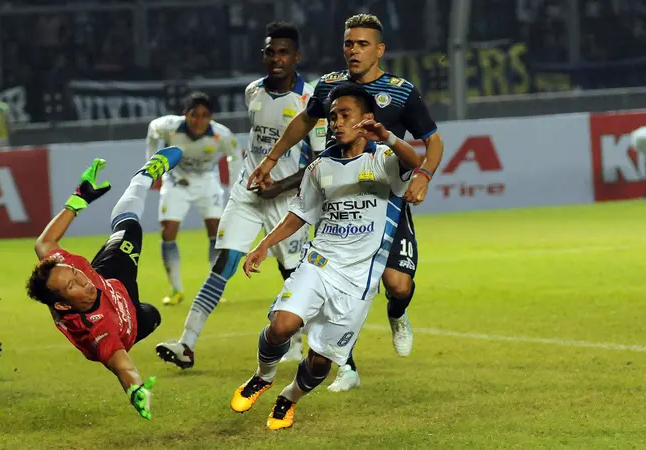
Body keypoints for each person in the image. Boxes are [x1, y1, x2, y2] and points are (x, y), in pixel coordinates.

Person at [247, 13, 445, 392]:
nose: (353, 50)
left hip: (384, 200)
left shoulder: (401, 91)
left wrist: (423, 176)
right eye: (349, 43)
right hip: (337, 201)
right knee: (329, 280)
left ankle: (398, 313)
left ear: (380, 50)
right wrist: (271, 159)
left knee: (399, 285)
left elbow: (433, 141)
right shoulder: (331, 86)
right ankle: (346, 367)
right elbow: (303, 122)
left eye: (362, 44)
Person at [230, 83, 424, 430]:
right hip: (320, 263)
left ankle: (288, 399)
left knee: (320, 363)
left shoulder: (383, 160)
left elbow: (417, 161)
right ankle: (263, 375)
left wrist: (389, 136)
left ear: (366, 119)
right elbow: (300, 214)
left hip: (358, 279)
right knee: (281, 326)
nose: (335, 122)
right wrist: (262, 246)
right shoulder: (320, 166)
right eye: (332, 116)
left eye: (344, 114)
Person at [155, 21, 326, 369]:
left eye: (283, 52)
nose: (275, 58)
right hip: (248, 194)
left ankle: (296, 341)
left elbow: (320, 162)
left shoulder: (312, 102)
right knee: (224, 264)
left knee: (292, 271)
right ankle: (186, 344)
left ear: (296, 56)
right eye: (270, 52)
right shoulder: (253, 92)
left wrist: (279, 185)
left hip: (287, 200)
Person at [25, 147, 181, 420]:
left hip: (111, 279)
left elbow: (44, 244)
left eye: (75, 273)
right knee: (153, 315)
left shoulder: (72, 273)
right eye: (72, 284)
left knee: (130, 229)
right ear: (62, 303)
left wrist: (77, 200)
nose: (82, 281)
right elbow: (122, 365)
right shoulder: (97, 329)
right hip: (130, 322)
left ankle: (143, 177)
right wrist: (136, 389)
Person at [146, 92, 242, 307]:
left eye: (204, 115)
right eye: (194, 115)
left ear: (211, 117)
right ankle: (175, 289)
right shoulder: (169, 126)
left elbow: (235, 156)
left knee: (215, 231)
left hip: (208, 181)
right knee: (168, 232)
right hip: (176, 181)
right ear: (185, 115)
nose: (199, 121)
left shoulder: (221, 134)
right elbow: (152, 130)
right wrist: (152, 166)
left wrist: (236, 187)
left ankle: (214, 288)